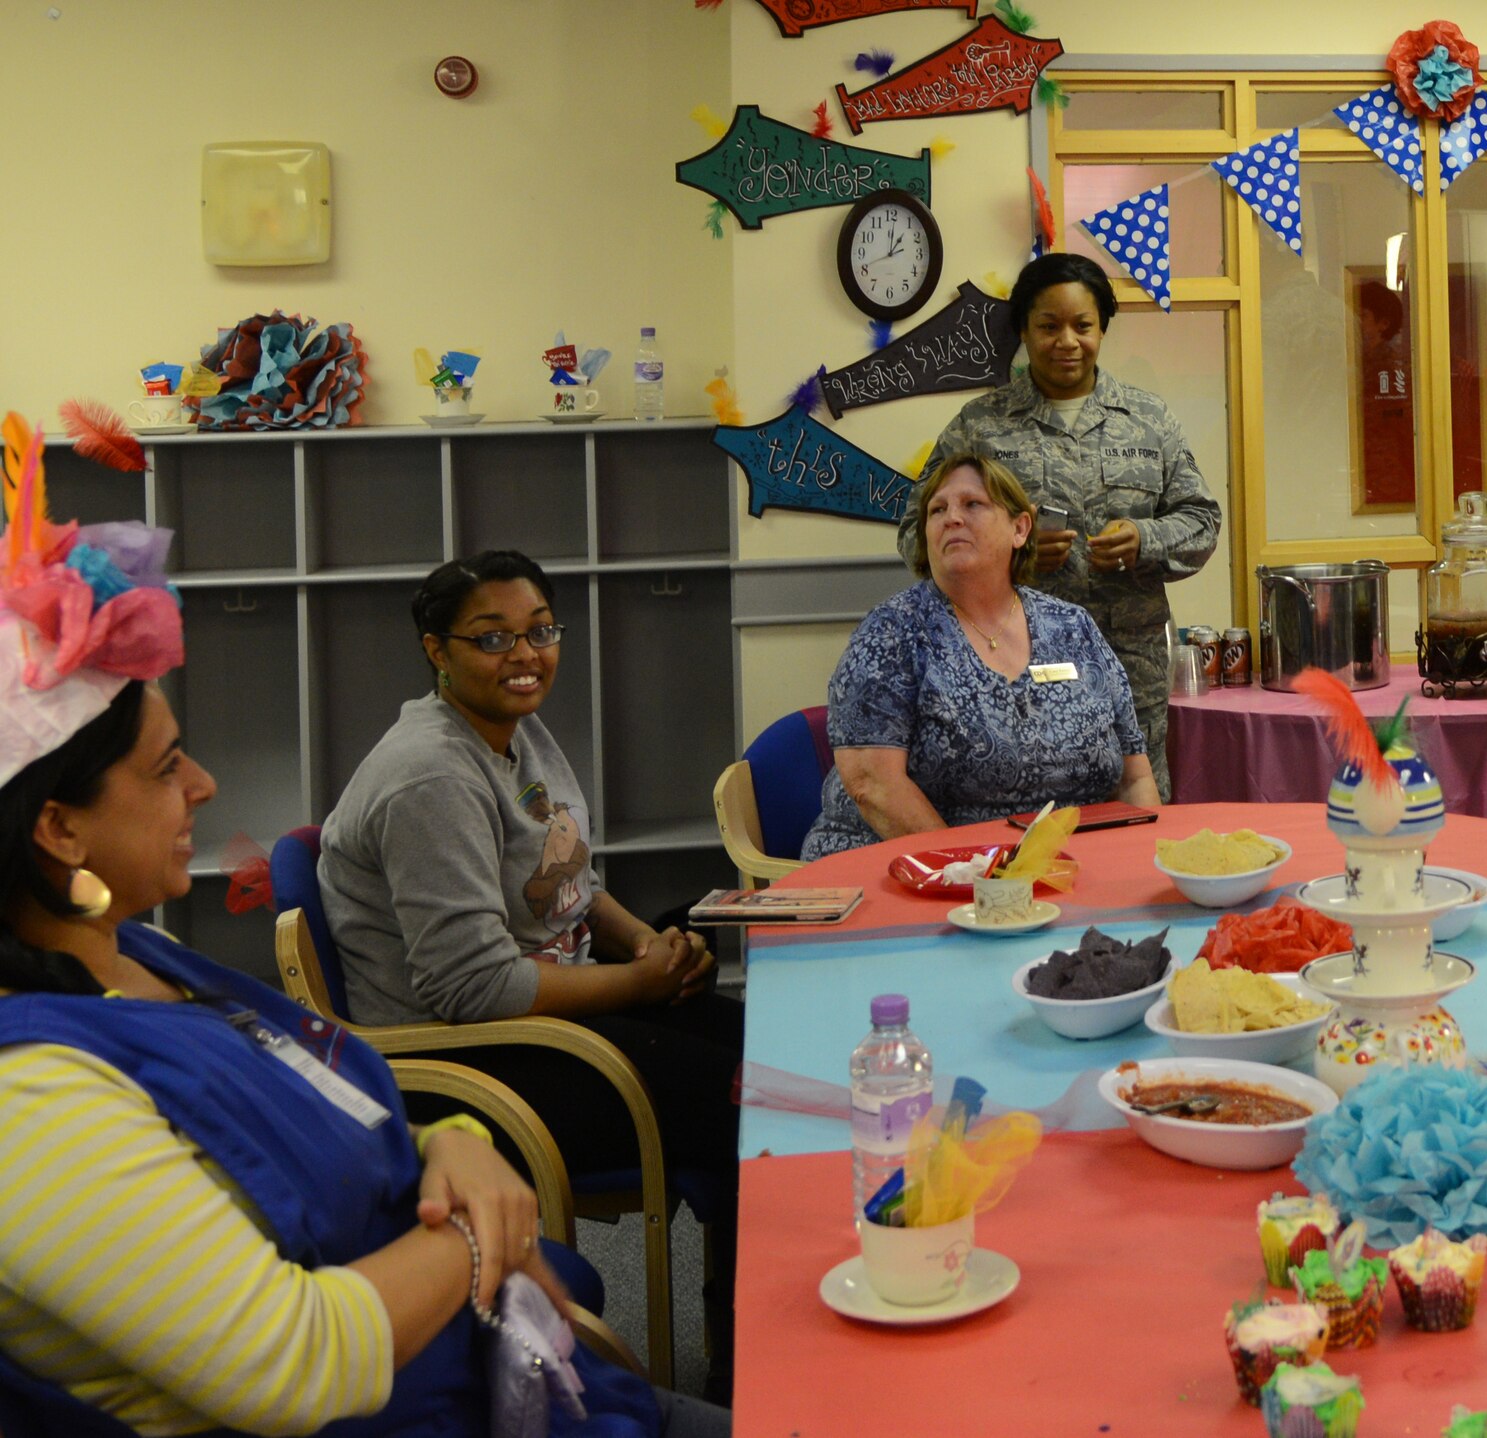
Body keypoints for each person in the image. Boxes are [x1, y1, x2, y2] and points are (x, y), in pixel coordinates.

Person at [0, 425, 716, 1435]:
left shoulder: (137, 958)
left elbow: (325, 1104)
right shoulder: (30, 1104)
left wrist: (452, 1142)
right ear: (57, 825)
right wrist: (482, 1233)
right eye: (166, 768)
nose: (204, 784)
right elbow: (298, 1360)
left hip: (502, 1359)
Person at [317, 550, 742, 1402]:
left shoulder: (516, 731)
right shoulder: (431, 772)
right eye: (494, 638)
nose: (526, 654)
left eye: (540, 631)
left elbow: (575, 887)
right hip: (471, 1065)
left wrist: (648, 951)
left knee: (756, 1039)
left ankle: (737, 1325)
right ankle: (742, 1362)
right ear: (436, 651)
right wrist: (640, 985)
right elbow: (475, 989)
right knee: (742, 1098)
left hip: (544, 1015)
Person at [896, 252, 1220, 798]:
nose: (1066, 341)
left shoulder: (1149, 418)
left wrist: (1144, 540)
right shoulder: (980, 425)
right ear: (1023, 330)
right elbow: (914, 534)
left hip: (1130, 661)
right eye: (1048, 326)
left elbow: (1203, 522)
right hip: (1009, 667)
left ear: (1102, 329)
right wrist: (1012, 555)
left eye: (1082, 326)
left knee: (1133, 808)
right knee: (1028, 804)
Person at [804, 454, 1158, 860]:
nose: (952, 517)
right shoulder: (892, 632)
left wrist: (1141, 865)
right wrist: (983, 875)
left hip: (1065, 870)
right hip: (916, 871)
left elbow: (1134, 779)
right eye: (937, 510)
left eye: (973, 504)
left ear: (1020, 528)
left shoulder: (1072, 626)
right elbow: (874, 787)